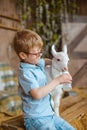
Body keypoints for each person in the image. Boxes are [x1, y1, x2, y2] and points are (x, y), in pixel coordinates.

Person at [13, 29, 75, 130]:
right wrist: (58, 80)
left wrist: (56, 62)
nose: (40, 55)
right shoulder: (25, 73)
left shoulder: (35, 63)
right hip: (36, 118)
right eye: (36, 53)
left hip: (49, 114)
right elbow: (37, 94)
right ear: (23, 55)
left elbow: (44, 61)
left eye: (40, 51)